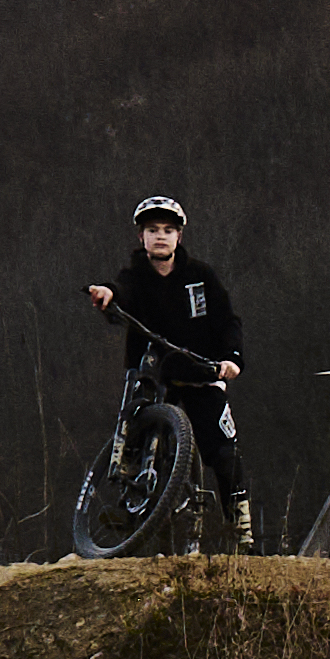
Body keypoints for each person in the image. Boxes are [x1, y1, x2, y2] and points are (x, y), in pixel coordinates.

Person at [86, 194, 253, 551]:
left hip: (201, 375)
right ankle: (130, 502)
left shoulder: (201, 276)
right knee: (135, 431)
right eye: (152, 230)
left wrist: (232, 359)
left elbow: (228, 320)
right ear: (141, 237)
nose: (160, 236)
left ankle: (242, 533)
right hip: (154, 378)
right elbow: (120, 291)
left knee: (225, 454)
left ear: (179, 236)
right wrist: (107, 293)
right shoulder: (135, 276)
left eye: (167, 229)